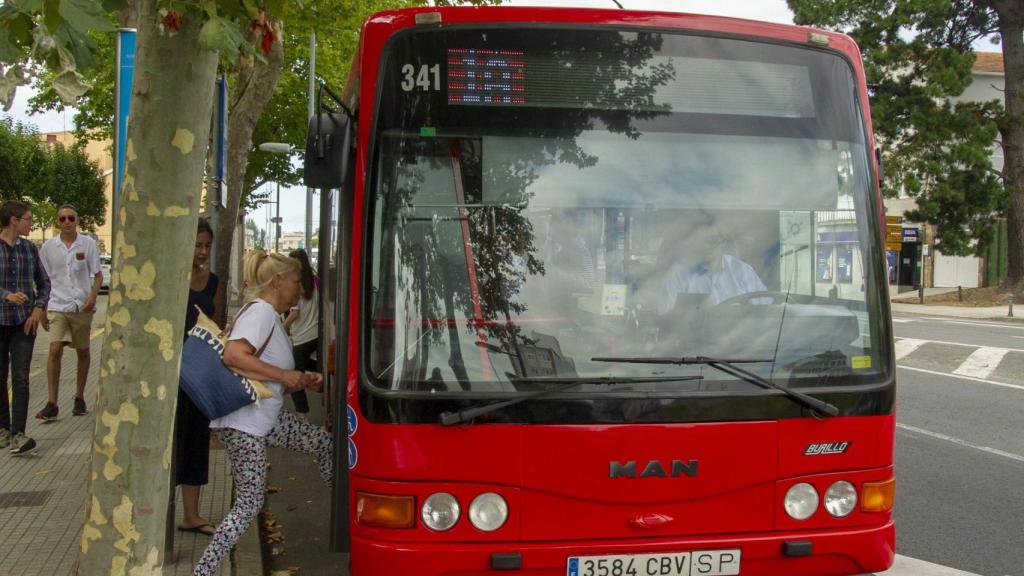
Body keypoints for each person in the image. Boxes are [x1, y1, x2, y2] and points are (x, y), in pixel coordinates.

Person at [193, 250, 330, 576]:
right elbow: (234, 357)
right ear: (277, 281)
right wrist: (284, 376)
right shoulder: (261, 314)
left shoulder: (269, 315)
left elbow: (263, 372)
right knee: (249, 504)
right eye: (297, 282)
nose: (300, 288)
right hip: (246, 425)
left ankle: (347, 514)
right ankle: (203, 571)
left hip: (263, 419)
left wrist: (298, 381)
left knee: (324, 444)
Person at [175, 218, 223, 536]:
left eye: (207, 245)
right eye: (197, 245)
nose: (203, 251)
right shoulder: (172, 279)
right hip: (169, 375)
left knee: (194, 444)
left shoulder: (214, 282)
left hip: (197, 375)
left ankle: (191, 515)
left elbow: (217, 330)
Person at [36, 204, 102, 421]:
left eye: (70, 218)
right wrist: (43, 309)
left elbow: (98, 275)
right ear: (58, 221)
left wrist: (91, 297)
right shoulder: (48, 247)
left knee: (83, 351)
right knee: (55, 349)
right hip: (58, 305)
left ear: (77, 220)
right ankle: (52, 402)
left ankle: (79, 396)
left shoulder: (88, 244)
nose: (66, 222)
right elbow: (44, 280)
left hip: (81, 306)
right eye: (62, 219)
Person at [0, 200, 50, 456]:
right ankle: (3, 429)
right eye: (28, 219)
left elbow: (44, 283)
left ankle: (19, 433)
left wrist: (38, 308)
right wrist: (6, 295)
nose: (31, 224)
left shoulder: (30, 249)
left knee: (21, 378)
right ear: (14, 220)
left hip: (23, 323)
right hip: (0, 320)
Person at [658, 217, 767, 313]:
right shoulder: (678, 274)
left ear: (722, 243)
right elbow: (666, 318)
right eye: (700, 241)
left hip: (738, 334)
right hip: (692, 335)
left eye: (712, 240)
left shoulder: (743, 272)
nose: (705, 246)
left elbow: (766, 311)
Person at [283, 248, 319, 415]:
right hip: (315, 335)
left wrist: (282, 327)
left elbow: (295, 313)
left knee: (294, 379)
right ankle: (327, 381)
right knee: (309, 367)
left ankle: (301, 414)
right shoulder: (315, 281)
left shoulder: (297, 286)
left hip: (302, 337)